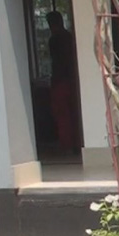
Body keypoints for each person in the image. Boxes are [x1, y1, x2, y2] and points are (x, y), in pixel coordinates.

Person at [46, 10, 79, 154]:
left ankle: (67, 145)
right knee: (72, 113)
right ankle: (74, 144)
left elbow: (57, 62)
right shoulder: (69, 37)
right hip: (71, 80)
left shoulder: (55, 40)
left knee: (62, 115)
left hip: (61, 81)